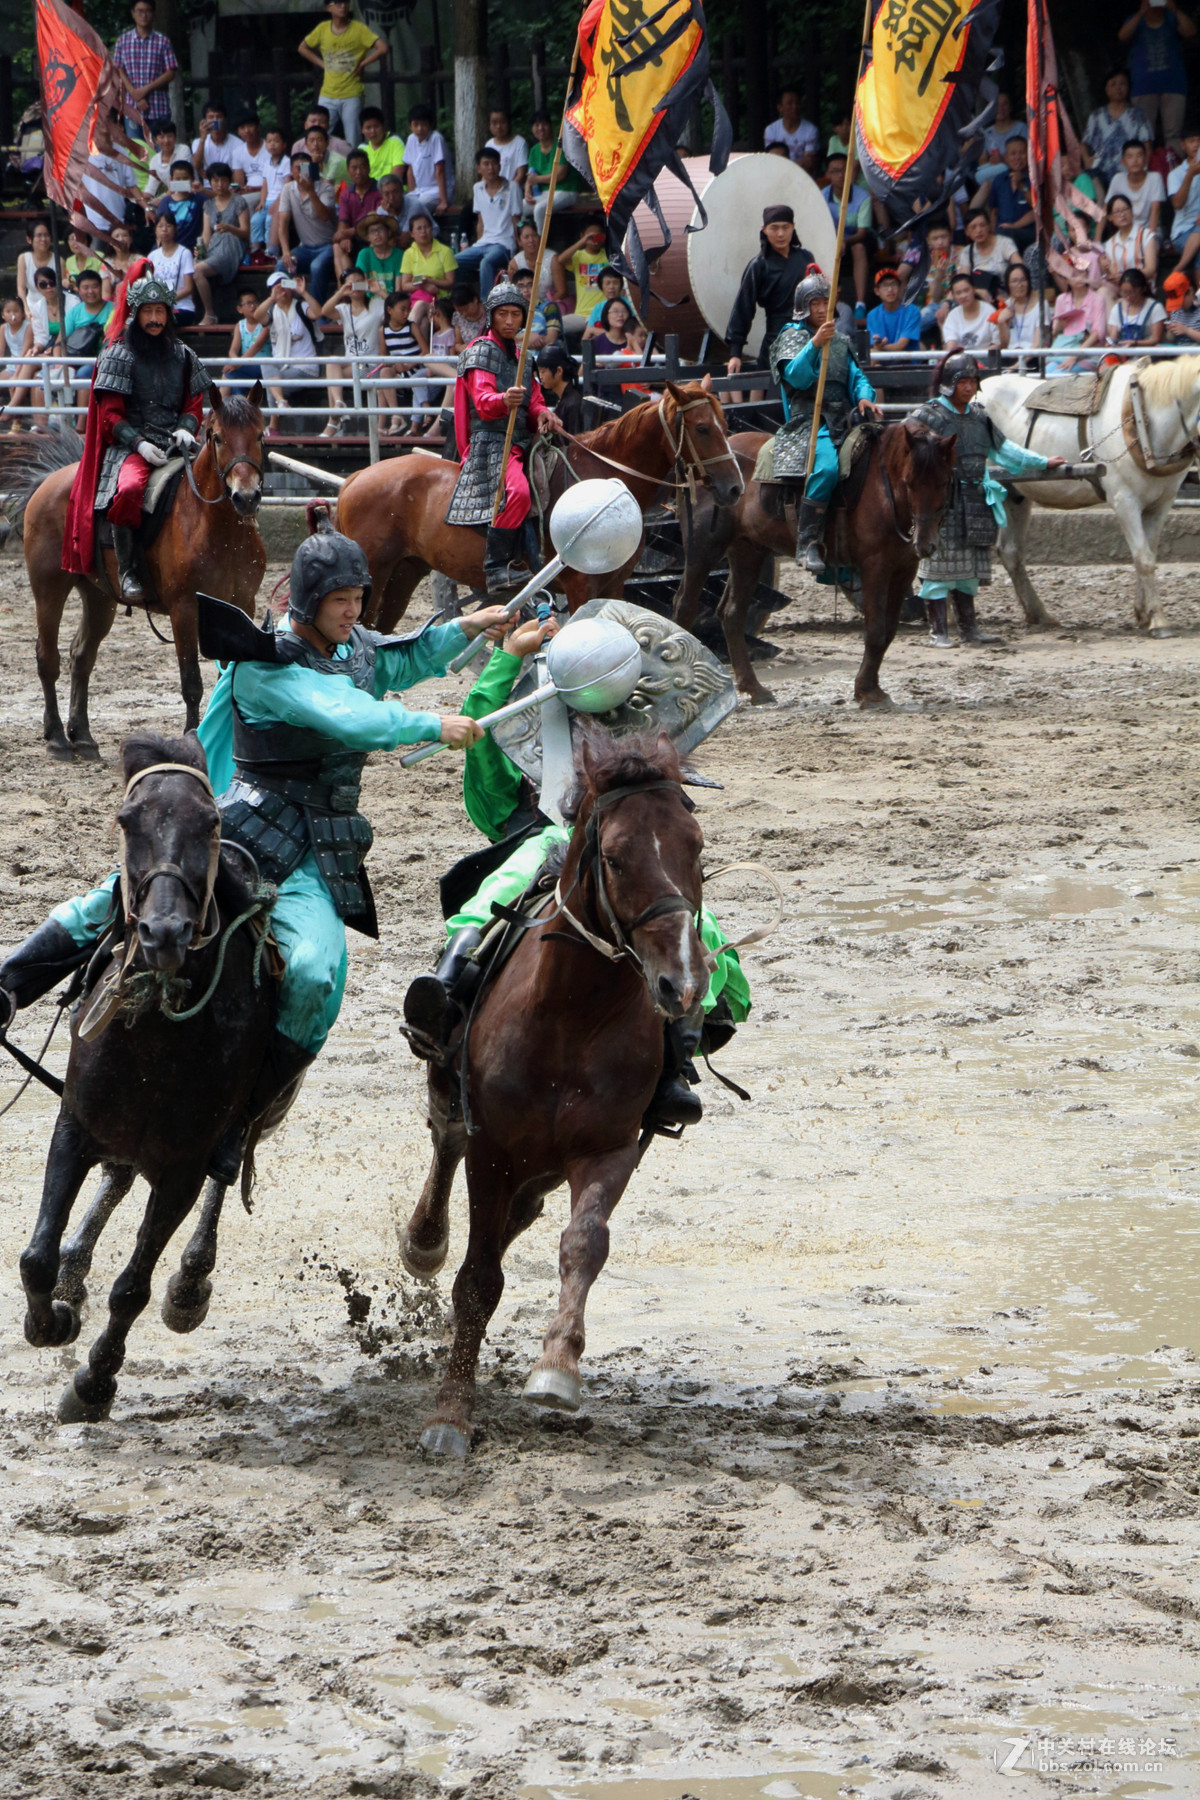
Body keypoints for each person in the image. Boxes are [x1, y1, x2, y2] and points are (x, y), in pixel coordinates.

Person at [0, 534, 509, 1191]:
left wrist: (469, 629)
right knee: (113, 900)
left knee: (314, 973)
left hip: (318, 859)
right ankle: (9, 984)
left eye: (359, 600)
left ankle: (242, 1116)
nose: (353, 612)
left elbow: (396, 657)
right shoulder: (271, 668)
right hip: (242, 832)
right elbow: (348, 717)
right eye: (341, 602)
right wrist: (430, 726)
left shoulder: (346, 645)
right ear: (306, 604)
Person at [402, 613, 750, 1129]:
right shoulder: (534, 728)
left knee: (701, 928)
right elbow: (479, 724)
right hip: (555, 843)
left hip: (631, 853)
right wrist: (510, 655)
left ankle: (675, 1064)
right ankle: (447, 998)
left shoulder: (649, 725)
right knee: (493, 894)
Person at [62, 269, 210, 601]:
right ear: (136, 313)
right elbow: (110, 416)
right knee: (128, 490)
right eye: (148, 312)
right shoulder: (118, 353)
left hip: (177, 444)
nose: (155, 319)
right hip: (132, 446)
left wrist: (187, 430)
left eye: (160, 312)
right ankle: (128, 570)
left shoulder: (183, 355)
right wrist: (139, 443)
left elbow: (194, 403)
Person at [911, 353, 1064, 648]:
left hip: (976, 499)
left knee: (969, 569)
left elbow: (1006, 451)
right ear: (949, 384)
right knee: (939, 567)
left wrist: (1043, 461)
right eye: (962, 382)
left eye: (971, 382)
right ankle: (938, 631)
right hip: (942, 501)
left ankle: (969, 629)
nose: (968, 388)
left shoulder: (979, 416)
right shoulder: (928, 416)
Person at [445, 280, 568, 594]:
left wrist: (542, 412)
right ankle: (496, 566)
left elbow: (535, 399)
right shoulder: (481, 352)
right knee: (519, 494)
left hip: (524, 439)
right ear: (492, 317)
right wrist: (504, 400)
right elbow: (483, 402)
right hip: (491, 442)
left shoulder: (525, 357)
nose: (510, 320)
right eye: (504, 314)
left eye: (516, 314)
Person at [767, 267, 882, 573]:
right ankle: (807, 543)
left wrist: (863, 395)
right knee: (828, 468)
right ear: (804, 306)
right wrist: (815, 344)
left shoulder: (841, 340)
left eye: (825, 301)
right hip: (809, 419)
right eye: (815, 302)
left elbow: (856, 377)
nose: (820, 308)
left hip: (843, 418)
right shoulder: (792, 336)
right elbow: (795, 375)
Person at [724, 203, 819, 381]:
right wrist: (735, 352)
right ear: (764, 230)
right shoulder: (758, 265)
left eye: (785, 227)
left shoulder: (806, 258)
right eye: (774, 228)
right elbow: (744, 307)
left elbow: (817, 298)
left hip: (808, 336)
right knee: (766, 390)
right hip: (776, 336)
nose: (781, 234)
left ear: (793, 227)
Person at [298, 0, 386, 152]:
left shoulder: (358, 29)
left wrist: (363, 64)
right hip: (327, 93)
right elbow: (302, 48)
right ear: (328, 7)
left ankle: (355, 172)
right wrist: (322, 64)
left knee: (353, 138)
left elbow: (382, 48)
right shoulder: (323, 29)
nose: (343, 6)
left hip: (351, 93)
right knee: (317, 135)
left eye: (345, 2)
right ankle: (315, 170)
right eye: (338, 3)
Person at [1119, 0, 1196, 150]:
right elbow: (1122, 36)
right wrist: (1141, 13)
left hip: (1173, 84)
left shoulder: (1171, 17)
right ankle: (1144, 171)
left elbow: (1191, 31)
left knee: (1173, 134)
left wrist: (1175, 10)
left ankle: (1174, 170)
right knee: (1143, 134)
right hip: (1143, 86)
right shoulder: (1136, 19)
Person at [320, 269, 384, 435]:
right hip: (352, 362)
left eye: (358, 281)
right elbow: (325, 311)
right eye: (351, 283)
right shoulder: (343, 308)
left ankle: (333, 422)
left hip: (369, 366)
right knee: (332, 361)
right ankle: (339, 403)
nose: (355, 286)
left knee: (332, 380)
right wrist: (341, 292)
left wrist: (378, 290)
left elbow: (394, 305)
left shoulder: (376, 305)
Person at [456, 146, 524, 299]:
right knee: (452, 262)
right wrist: (479, 243)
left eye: (494, 163)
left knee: (486, 263)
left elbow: (517, 220)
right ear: (479, 168)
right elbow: (480, 221)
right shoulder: (477, 188)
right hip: (483, 244)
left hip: (503, 244)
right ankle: (462, 302)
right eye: (486, 164)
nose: (491, 168)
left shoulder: (512, 187)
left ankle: (486, 307)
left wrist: (518, 249)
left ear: (500, 165)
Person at [252, 271, 323, 414]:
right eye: (277, 286)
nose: (282, 289)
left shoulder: (301, 307)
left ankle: (274, 424)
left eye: (284, 284)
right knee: (267, 365)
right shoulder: (273, 311)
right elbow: (257, 316)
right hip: (282, 364)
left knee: (271, 383)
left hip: (305, 366)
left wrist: (303, 293)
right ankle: (281, 402)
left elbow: (317, 313)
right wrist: (272, 298)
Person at [192, 163, 250, 327]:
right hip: (214, 246)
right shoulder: (208, 205)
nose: (219, 184)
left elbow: (246, 232)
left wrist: (231, 228)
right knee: (193, 268)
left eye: (223, 180)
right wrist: (200, 249)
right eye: (215, 181)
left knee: (198, 270)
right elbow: (206, 233)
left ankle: (210, 314)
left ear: (229, 181)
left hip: (232, 243)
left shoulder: (239, 201)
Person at [276, 152, 337, 303]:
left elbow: (324, 216)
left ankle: (317, 309)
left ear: (313, 169)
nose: (302, 171)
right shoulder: (288, 189)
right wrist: (285, 251)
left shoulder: (326, 188)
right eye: (298, 168)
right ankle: (284, 307)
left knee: (316, 267)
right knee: (281, 265)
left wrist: (310, 190)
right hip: (305, 248)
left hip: (328, 246)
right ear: (291, 171)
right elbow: (282, 222)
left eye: (306, 167)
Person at [113, 0, 178, 135]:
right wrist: (135, 94)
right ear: (133, 13)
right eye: (140, 11)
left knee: (162, 153)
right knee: (137, 152)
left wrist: (145, 90)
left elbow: (171, 71)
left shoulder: (163, 41)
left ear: (153, 13)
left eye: (148, 11)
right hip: (133, 107)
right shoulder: (123, 41)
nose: (144, 15)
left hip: (158, 107)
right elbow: (118, 69)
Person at [1082, 70, 1152, 188]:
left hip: (1129, 171)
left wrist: (1143, 168)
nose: (1118, 88)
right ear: (1106, 89)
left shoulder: (1137, 115)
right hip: (1100, 171)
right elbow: (1084, 143)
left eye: (1122, 84)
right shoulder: (1096, 116)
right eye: (1113, 84)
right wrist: (1086, 160)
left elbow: (1147, 146)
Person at [821, 153, 874, 308]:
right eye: (836, 171)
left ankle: (860, 303)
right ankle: (826, 299)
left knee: (859, 248)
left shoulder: (862, 196)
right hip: (832, 240)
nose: (841, 175)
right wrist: (836, 242)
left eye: (845, 170)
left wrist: (844, 241)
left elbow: (862, 232)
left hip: (856, 239)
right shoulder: (822, 196)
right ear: (828, 174)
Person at [972, 135, 1035, 257]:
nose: (1017, 157)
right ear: (1005, 157)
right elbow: (994, 211)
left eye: (1022, 153)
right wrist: (992, 232)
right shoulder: (999, 180)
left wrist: (1021, 185)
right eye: (1013, 154)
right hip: (1002, 232)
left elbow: (1037, 208)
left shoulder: (1035, 178)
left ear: (1028, 155)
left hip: (1028, 231)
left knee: (1007, 237)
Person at [380, 288, 429, 434]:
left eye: (408, 309)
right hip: (399, 373)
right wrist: (395, 365)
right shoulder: (383, 331)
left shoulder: (411, 326)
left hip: (416, 370)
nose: (406, 313)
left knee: (381, 386)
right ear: (390, 310)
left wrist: (409, 365)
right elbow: (383, 357)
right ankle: (397, 416)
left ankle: (385, 424)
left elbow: (425, 351)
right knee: (384, 373)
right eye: (402, 309)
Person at [524, 109, 582, 228]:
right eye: (536, 125)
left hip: (567, 191)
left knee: (540, 209)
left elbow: (560, 174)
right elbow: (530, 176)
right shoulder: (534, 150)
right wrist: (527, 190)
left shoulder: (561, 145)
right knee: (519, 207)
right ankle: (523, 241)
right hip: (544, 193)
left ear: (551, 126)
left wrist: (537, 180)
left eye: (544, 124)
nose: (540, 128)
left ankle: (540, 244)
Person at [63, 269, 113, 405]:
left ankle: (80, 425)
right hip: (76, 358)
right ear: (78, 290)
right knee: (42, 376)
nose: (90, 291)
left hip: (103, 360)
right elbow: (61, 341)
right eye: (85, 288)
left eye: (95, 287)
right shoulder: (74, 312)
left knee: (84, 374)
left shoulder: (113, 310)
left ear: (101, 287)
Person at [400, 209, 457, 328]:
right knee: (424, 323)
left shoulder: (445, 251)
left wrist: (430, 281)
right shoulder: (409, 254)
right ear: (411, 233)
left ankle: (407, 334)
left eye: (426, 227)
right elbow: (404, 285)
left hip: (441, 300)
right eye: (419, 228)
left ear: (432, 229)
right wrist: (423, 286)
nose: (423, 232)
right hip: (417, 298)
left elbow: (450, 282)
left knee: (421, 307)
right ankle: (421, 346)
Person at [1048, 260, 1108, 371]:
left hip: (1089, 354)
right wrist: (1060, 326)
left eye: (1082, 273)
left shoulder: (1098, 298)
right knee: (1048, 372)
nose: (1079, 278)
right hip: (1064, 352)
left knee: (1062, 373)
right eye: (1074, 275)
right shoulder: (1061, 300)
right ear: (1066, 279)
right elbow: (1055, 334)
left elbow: (1098, 333)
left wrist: (1074, 356)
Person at [552, 222, 609, 334]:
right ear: (582, 236)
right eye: (591, 236)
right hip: (581, 314)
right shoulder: (578, 256)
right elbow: (560, 260)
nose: (595, 240)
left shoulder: (608, 256)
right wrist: (583, 242)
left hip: (601, 314)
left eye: (599, 236)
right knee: (554, 326)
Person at [333, 149, 381, 277]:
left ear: (369, 168)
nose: (358, 172)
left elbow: (375, 220)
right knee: (338, 246)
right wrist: (345, 237)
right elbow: (343, 220)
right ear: (348, 170)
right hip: (355, 239)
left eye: (362, 167)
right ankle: (345, 287)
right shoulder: (346, 193)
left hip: (374, 235)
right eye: (354, 168)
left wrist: (347, 233)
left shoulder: (379, 190)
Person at [955, 208, 1020, 296]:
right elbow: (962, 281)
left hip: (1007, 294)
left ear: (989, 226)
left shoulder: (1005, 243)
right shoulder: (966, 252)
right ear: (967, 232)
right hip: (980, 297)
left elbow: (1019, 267)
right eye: (973, 227)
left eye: (982, 225)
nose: (979, 230)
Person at [1100, 192, 1158, 289]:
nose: (1122, 214)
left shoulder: (1146, 235)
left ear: (1131, 211)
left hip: (1142, 288)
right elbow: (1112, 273)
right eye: (1117, 211)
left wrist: (1125, 278)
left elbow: (1150, 269)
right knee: (1103, 291)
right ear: (1110, 217)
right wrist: (1106, 269)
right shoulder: (1110, 244)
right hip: (1120, 290)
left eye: (1125, 209)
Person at [247, 126, 290, 258]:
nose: (272, 144)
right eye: (269, 141)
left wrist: (277, 203)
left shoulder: (287, 162)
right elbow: (265, 184)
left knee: (269, 221)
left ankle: (270, 252)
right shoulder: (266, 163)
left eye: (276, 141)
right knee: (255, 220)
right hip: (267, 201)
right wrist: (261, 201)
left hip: (280, 200)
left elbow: (287, 185)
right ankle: (255, 250)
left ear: (283, 145)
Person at [1106, 138, 1165, 233]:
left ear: (1145, 159)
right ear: (1123, 161)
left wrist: (1150, 238)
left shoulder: (1155, 178)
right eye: (1130, 157)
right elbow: (1106, 208)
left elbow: (1156, 210)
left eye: (1139, 155)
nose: (1135, 160)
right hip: (1125, 233)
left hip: (1149, 232)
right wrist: (1097, 240)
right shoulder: (1117, 179)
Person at [404, 103, 453, 217]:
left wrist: (443, 201)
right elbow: (410, 170)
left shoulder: (436, 138)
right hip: (419, 190)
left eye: (423, 124)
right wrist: (411, 193)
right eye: (416, 125)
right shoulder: (411, 139)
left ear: (430, 125)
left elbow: (439, 170)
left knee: (417, 207)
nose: (420, 129)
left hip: (436, 191)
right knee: (401, 204)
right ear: (410, 126)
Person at [191, 101, 253, 189]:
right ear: (205, 120)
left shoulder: (238, 144)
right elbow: (196, 166)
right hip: (208, 188)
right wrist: (203, 139)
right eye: (211, 117)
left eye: (219, 117)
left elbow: (238, 177)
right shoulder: (198, 142)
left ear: (225, 119)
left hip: (229, 188)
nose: (215, 120)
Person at [221, 286, 269, 396]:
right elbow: (233, 351)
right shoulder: (240, 325)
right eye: (249, 303)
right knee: (235, 379)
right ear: (239, 309)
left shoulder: (266, 323)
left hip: (264, 365)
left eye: (255, 302)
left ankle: (216, 411)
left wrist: (238, 364)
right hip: (244, 365)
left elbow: (257, 346)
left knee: (229, 372)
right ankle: (238, 409)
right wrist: (235, 362)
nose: (253, 306)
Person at [971, 91, 1029, 184]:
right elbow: (982, 160)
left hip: (1018, 175)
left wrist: (1003, 160)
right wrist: (989, 160)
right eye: (996, 105)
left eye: (1004, 104)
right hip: (995, 176)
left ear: (1010, 107)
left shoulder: (1021, 128)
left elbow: (1028, 158)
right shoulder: (987, 133)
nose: (1000, 108)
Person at [149, 208, 196, 317]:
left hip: (182, 307)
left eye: (168, 226)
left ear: (175, 229)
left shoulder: (184, 253)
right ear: (155, 231)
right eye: (160, 226)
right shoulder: (152, 256)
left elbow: (188, 288)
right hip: (158, 309)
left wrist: (165, 300)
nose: (164, 230)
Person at [1166, 122, 1200, 273]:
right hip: (1183, 231)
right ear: (1183, 145)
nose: (1196, 145)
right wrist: (1190, 175)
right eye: (1192, 141)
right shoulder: (1175, 174)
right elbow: (1178, 204)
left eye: (1199, 141)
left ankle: (1179, 268)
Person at [941, 271, 1001, 351]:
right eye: (958, 293)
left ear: (974, 289)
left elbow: (997, 344)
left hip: (986, 358)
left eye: (966, 290)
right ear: (954, 295)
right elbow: (951, 344)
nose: (963, 296)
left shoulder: (989, 311)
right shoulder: (953, 316)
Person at [763, 85, 819, 170]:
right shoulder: (771, 130)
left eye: (797, 102)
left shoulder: (810, 130)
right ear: (780, 108)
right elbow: (771, 159)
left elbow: (809, 161)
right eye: (790, 103)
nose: (795, 106)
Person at [1107, 265, 1166, 344]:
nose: (1128, 297)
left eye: (1131, 293)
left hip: (1147, 354)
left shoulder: (1155, 308)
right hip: (1123, 354)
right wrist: (1111, 343)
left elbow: (1156, 339)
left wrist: (1135, 343)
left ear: (1142, 289)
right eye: (1124, 292)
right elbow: (1113, 336)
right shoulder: (1117, 309)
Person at [1, 296, 35, 431]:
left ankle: (17, 421)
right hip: (11, 366)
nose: (12, 315)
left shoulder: (28, 327)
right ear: (3, 315)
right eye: (8, 312)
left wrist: (16, 375)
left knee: (13, 384)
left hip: (24, 363)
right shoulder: (3, 328)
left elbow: (24, 352)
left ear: (23, 313)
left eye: (16, 311)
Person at [535, 343, 585, 433]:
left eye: (543, 371)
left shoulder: (573, 404)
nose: (540, 376)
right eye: (539, 372)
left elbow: (575, 442)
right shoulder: (567, 399)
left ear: (559, 371)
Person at [154, 159, 204, 251]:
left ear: (192, 179)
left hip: (191, 248)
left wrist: (203, 190)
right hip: (170, 247)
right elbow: (161, 227)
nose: (181, 181)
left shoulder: (200, 199)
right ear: (171, 180)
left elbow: (219, 199)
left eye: (185, 178)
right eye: (178, 179)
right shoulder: (166, 202)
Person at [867, 266, 921, 349]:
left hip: (907, 360)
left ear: (899, 288)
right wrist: (877, 344)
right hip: (881, 360)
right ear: (877, 291)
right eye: (885, 285)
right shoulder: (872, 315)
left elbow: (901, 345)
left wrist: (880, 348)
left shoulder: (913, 311)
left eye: (893, 284)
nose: (890, 289)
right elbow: (873, 345)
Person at [355, 210, 404, 294]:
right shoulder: (364, 254)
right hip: (370, 300)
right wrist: (373, 288)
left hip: (393, 300)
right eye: (372, 231)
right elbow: (358, 285)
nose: (377, 233)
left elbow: (398, 288)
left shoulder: (399, 254)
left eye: (380, 229)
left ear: (388, 232)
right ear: (368, 237)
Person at [996, 261, 1043, 351]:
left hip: (1031, 356)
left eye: (1023, 280)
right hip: (1010, 355)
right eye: (1014, 281)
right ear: (1008, 284)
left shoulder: (1040, 305)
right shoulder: (1006, 305)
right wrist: (1001, 322)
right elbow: (1004, 345)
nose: (1020, 285)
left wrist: (1018, 364)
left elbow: (1038, 344)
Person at [358, 107, 406, 185]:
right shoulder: (361, 149)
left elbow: (399, 170)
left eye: (376, 126)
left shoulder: (395, 141)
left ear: (384, 126)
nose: (372, 131)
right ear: (362, 130)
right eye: (368, 128)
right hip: (370, 193)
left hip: (392, 191)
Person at [484, 106, 528, 187]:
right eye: (494, 123)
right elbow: (485, 174)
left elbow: (521, 175)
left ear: (508, 123)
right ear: (489, 126)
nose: (498, 126)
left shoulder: (519, 143)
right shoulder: (489, 145)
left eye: (502, 122)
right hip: (493, 193)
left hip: (513, 191)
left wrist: (507, 191)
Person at [16, 216, 54, 306]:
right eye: (39, 235)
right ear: (29, 239)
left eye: (46, 235)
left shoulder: (58, 260)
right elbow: (21, 288)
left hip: (52, 307)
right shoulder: (23, 258)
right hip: (31, 307)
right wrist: (25, 308)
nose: (43, 239)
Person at [303, 122, 348, 193]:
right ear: (306, 145)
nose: (315, 144)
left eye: (319, 140)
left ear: (327, 143)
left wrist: (314, 164)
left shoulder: (335, 161)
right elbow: (304, 186)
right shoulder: (306, 161)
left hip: (345, 196)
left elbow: (325, 189)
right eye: (312, 141)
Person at [1164, 266, 1200, 338]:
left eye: (1180, 300)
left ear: (1190, 291)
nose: (1179, 305)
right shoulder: (1176, 311)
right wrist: (1170, 331)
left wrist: (1186, 330)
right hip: (1179, 348)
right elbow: (1170, 340)